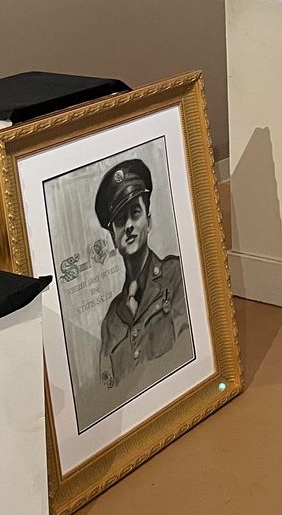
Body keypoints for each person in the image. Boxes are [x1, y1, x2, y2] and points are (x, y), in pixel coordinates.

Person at [94, 158, 189, 390]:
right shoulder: (110, 322)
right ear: (113, 237)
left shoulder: (177, 277)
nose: (128, 225)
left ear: (148, 221)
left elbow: (189, 349)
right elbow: (109, 390)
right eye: (119, 220)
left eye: (135, 213)